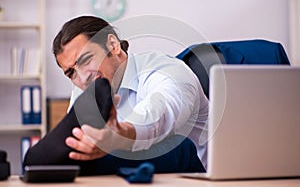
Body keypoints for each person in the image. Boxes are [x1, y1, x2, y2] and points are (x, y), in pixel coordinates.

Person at [24, 15, 209, 175]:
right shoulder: (86, 88)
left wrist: (121, 136)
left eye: (86, 60)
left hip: (200, 175)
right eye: (71, 73)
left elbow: (161, 113)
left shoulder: (165, 71)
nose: (82, 77)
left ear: (113, 45)